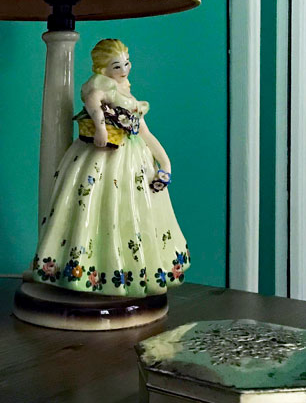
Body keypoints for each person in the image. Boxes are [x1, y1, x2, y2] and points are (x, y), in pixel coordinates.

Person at [30, 39, 191, 297]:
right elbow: (93, 103)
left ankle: (132, 272)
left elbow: (143, 130)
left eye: (126, 62)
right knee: (95, 209)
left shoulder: (125, 91)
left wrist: (165, 161)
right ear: (104, 69)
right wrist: (102, 128)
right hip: (102, 156)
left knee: (134, 212)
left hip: (133, 158)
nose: (124, 69)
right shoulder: (100, 85)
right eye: (117, 65)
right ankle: (90, 271)